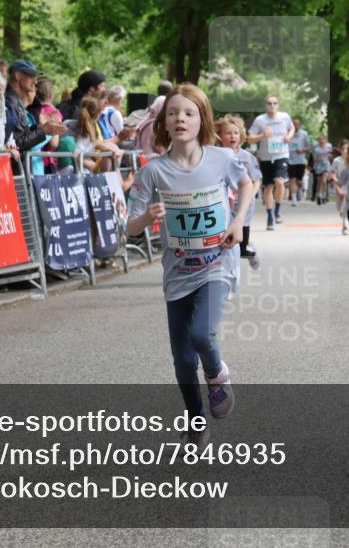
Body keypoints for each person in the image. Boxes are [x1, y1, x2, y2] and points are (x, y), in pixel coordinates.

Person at [126, 83, 252, 447]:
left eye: (189, 113)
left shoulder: (221, 158)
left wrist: (238, 221)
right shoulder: (153, 172)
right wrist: (147, 216)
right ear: (163, 122)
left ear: (202, 120)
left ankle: (216, 374)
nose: (180, 118)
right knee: (182, 360)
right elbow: (130, 229)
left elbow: (247, 185)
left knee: (201, 334)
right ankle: (196, 422)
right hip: (179, 272)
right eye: (173, 113)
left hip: (218, 263)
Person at [216, 115, 262, 270]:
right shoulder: (215, 155)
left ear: (241, 135)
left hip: (243, 206)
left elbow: (256, 181)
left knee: (240, 248)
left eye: (236, 133)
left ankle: (251, 251)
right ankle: (227, 278)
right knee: (224, 244)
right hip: (222, 205)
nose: (232, 136)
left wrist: (249, 196)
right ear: (220, 136)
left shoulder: (247, 157)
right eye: (228, 133)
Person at [247, 94, 293, 231]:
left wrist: (289, 136)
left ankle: (277, 208)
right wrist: (262, 136)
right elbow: (249, 139)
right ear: (265, 105)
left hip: (281, 155)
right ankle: (270, 216)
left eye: (274, 103)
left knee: (279, 182)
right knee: (268, 187)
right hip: (266, 157)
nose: (272, 105)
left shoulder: (284, 117)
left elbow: (292, 128)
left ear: (278, 105)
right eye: (269, 103)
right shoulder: (260, 120)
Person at [287, 118, 311, 205]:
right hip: (290, 160)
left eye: (297, 124)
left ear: (300, 125)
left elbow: (309, 146)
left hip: (300, 160)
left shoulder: (304, 134)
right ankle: (293, 198)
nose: (295, 126)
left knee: (299, 181)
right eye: (294, 124)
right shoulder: (288, 133)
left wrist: (302, 150)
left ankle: (300, 189)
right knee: (292, 179)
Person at [331, 139, 349, 235]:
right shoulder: (336, 161)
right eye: (343, 149)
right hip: (339, 184)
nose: (345, 151)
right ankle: (342, 213)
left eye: (347, 149)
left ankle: (345, 227)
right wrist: (335, 180)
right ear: (340, 150)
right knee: (340, 207)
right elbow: (333, 173)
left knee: (345, 203)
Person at [310, 134, 333, 204]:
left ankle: (324, 195)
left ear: (325, 140)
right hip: (318, 165)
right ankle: (319, 194)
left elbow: (331, 156)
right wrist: (318, 159)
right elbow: (314, 158)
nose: (321, 141)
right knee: (319, 182)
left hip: (326, 165)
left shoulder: (329, 146)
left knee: (324, 180)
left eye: (323, 139)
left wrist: (329, 157)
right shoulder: (315, 147)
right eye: (320, 139)